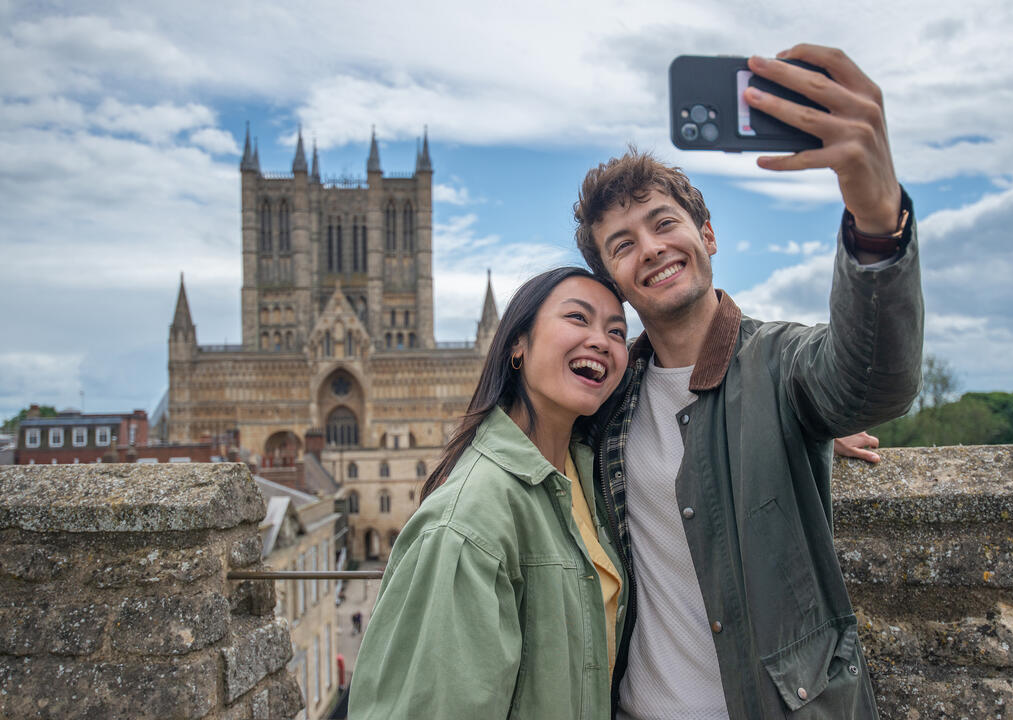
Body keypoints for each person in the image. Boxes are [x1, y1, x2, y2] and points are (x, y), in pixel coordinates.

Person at [573, 45, 923, 719]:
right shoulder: (606, 404)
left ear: (706, 233)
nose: (649, 247)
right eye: (622, 244)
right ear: (613, 281)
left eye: (664, 222)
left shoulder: (781, 366)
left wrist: (878, 219)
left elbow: (871, 380)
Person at [348, 267, 631, 719]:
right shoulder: (466, 524)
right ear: (517, 344)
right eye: (578, 319)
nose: (601, 340)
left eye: (617, 331)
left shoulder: (586, 477)